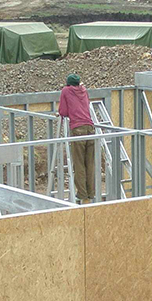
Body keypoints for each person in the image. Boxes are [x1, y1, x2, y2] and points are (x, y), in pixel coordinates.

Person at [58, 74, 95, 204]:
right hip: (91, 129)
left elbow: (63, 111)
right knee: (89, 164)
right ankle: (91, 193)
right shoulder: (84, 90)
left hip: (78, 129)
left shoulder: (66, 91)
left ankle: (83, 195)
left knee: (79, 164)